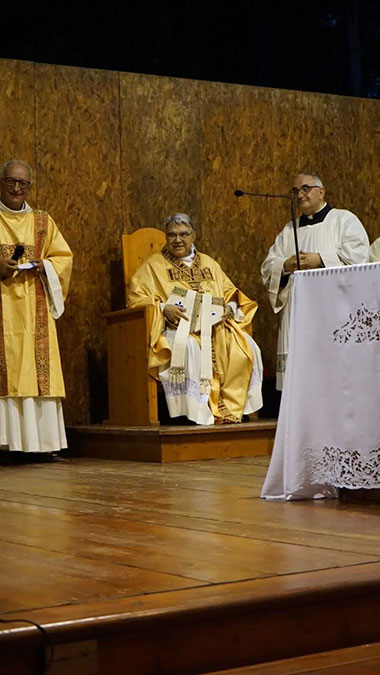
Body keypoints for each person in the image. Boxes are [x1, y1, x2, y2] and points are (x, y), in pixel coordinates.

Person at [127, 213, 263, 425]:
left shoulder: (209, 263)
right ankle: (195, 412)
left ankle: (235, 408)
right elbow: (135, 299)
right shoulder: (153, 265)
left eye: (183, 234)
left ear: (194, 236)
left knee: (247, 346)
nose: (177, 240)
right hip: (176, 329)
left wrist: (230, 307)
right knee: (189, 345)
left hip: (216, 327)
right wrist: (163, 308)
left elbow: (232, 293)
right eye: (172, 235)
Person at [261, 171, 369, 390]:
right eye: (295, 191)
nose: (299, 195)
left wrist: (320, 259)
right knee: (299, 380)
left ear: (322, 191)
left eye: (305, 189)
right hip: (297, 309)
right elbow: (268, 265)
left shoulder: (343, 220)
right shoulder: (290, 230)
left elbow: (359, 257)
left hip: (334, 309)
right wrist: (286, 265)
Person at [0, 159, 73, 460]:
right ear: (1, 182)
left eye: (23, 184)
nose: (17, 189)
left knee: (35, 370)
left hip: (35, 306)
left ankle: (37, 444)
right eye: (11, 182)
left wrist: (46, 265)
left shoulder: (43, 221)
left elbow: (63, 258)